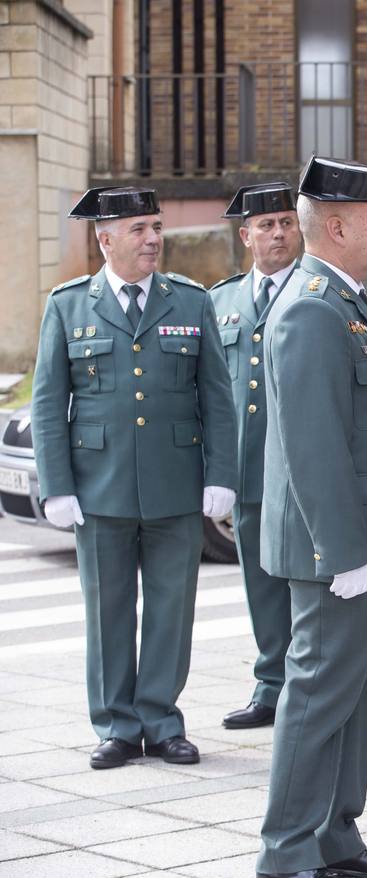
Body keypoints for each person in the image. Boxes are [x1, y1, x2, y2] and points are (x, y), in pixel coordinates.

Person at [255, 157, 367, 878]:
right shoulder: (310, 308)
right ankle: (285, 855)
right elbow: (312, 444)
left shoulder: (346, 300)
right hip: (342, 550)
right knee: (318, 696)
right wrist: (342, 552)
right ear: (334, 226)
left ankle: (335, 833)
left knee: (356, 700)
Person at [30, 187, 237, 770]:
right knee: (108, 609)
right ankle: (117, 725)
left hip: (174, 482)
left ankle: (162, 720)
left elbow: (216, 398)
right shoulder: (69, 305)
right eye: (140, 229)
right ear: (106, 239)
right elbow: (49, 404)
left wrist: (221, 474)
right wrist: (57, 485)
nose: (153, 239)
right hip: (99, 487)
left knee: (173, 608)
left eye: (156, 226)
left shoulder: (190, 301)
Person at [210, 182, 302, 730]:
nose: (277, 233)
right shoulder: (219, 300)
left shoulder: (318, 289)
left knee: (308, 583)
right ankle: (272, 685)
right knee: (261, 584)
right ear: (246, 236)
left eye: (287, 222)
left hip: (303, 468)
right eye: (265, 226)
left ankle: (315, 684)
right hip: (249, 471)